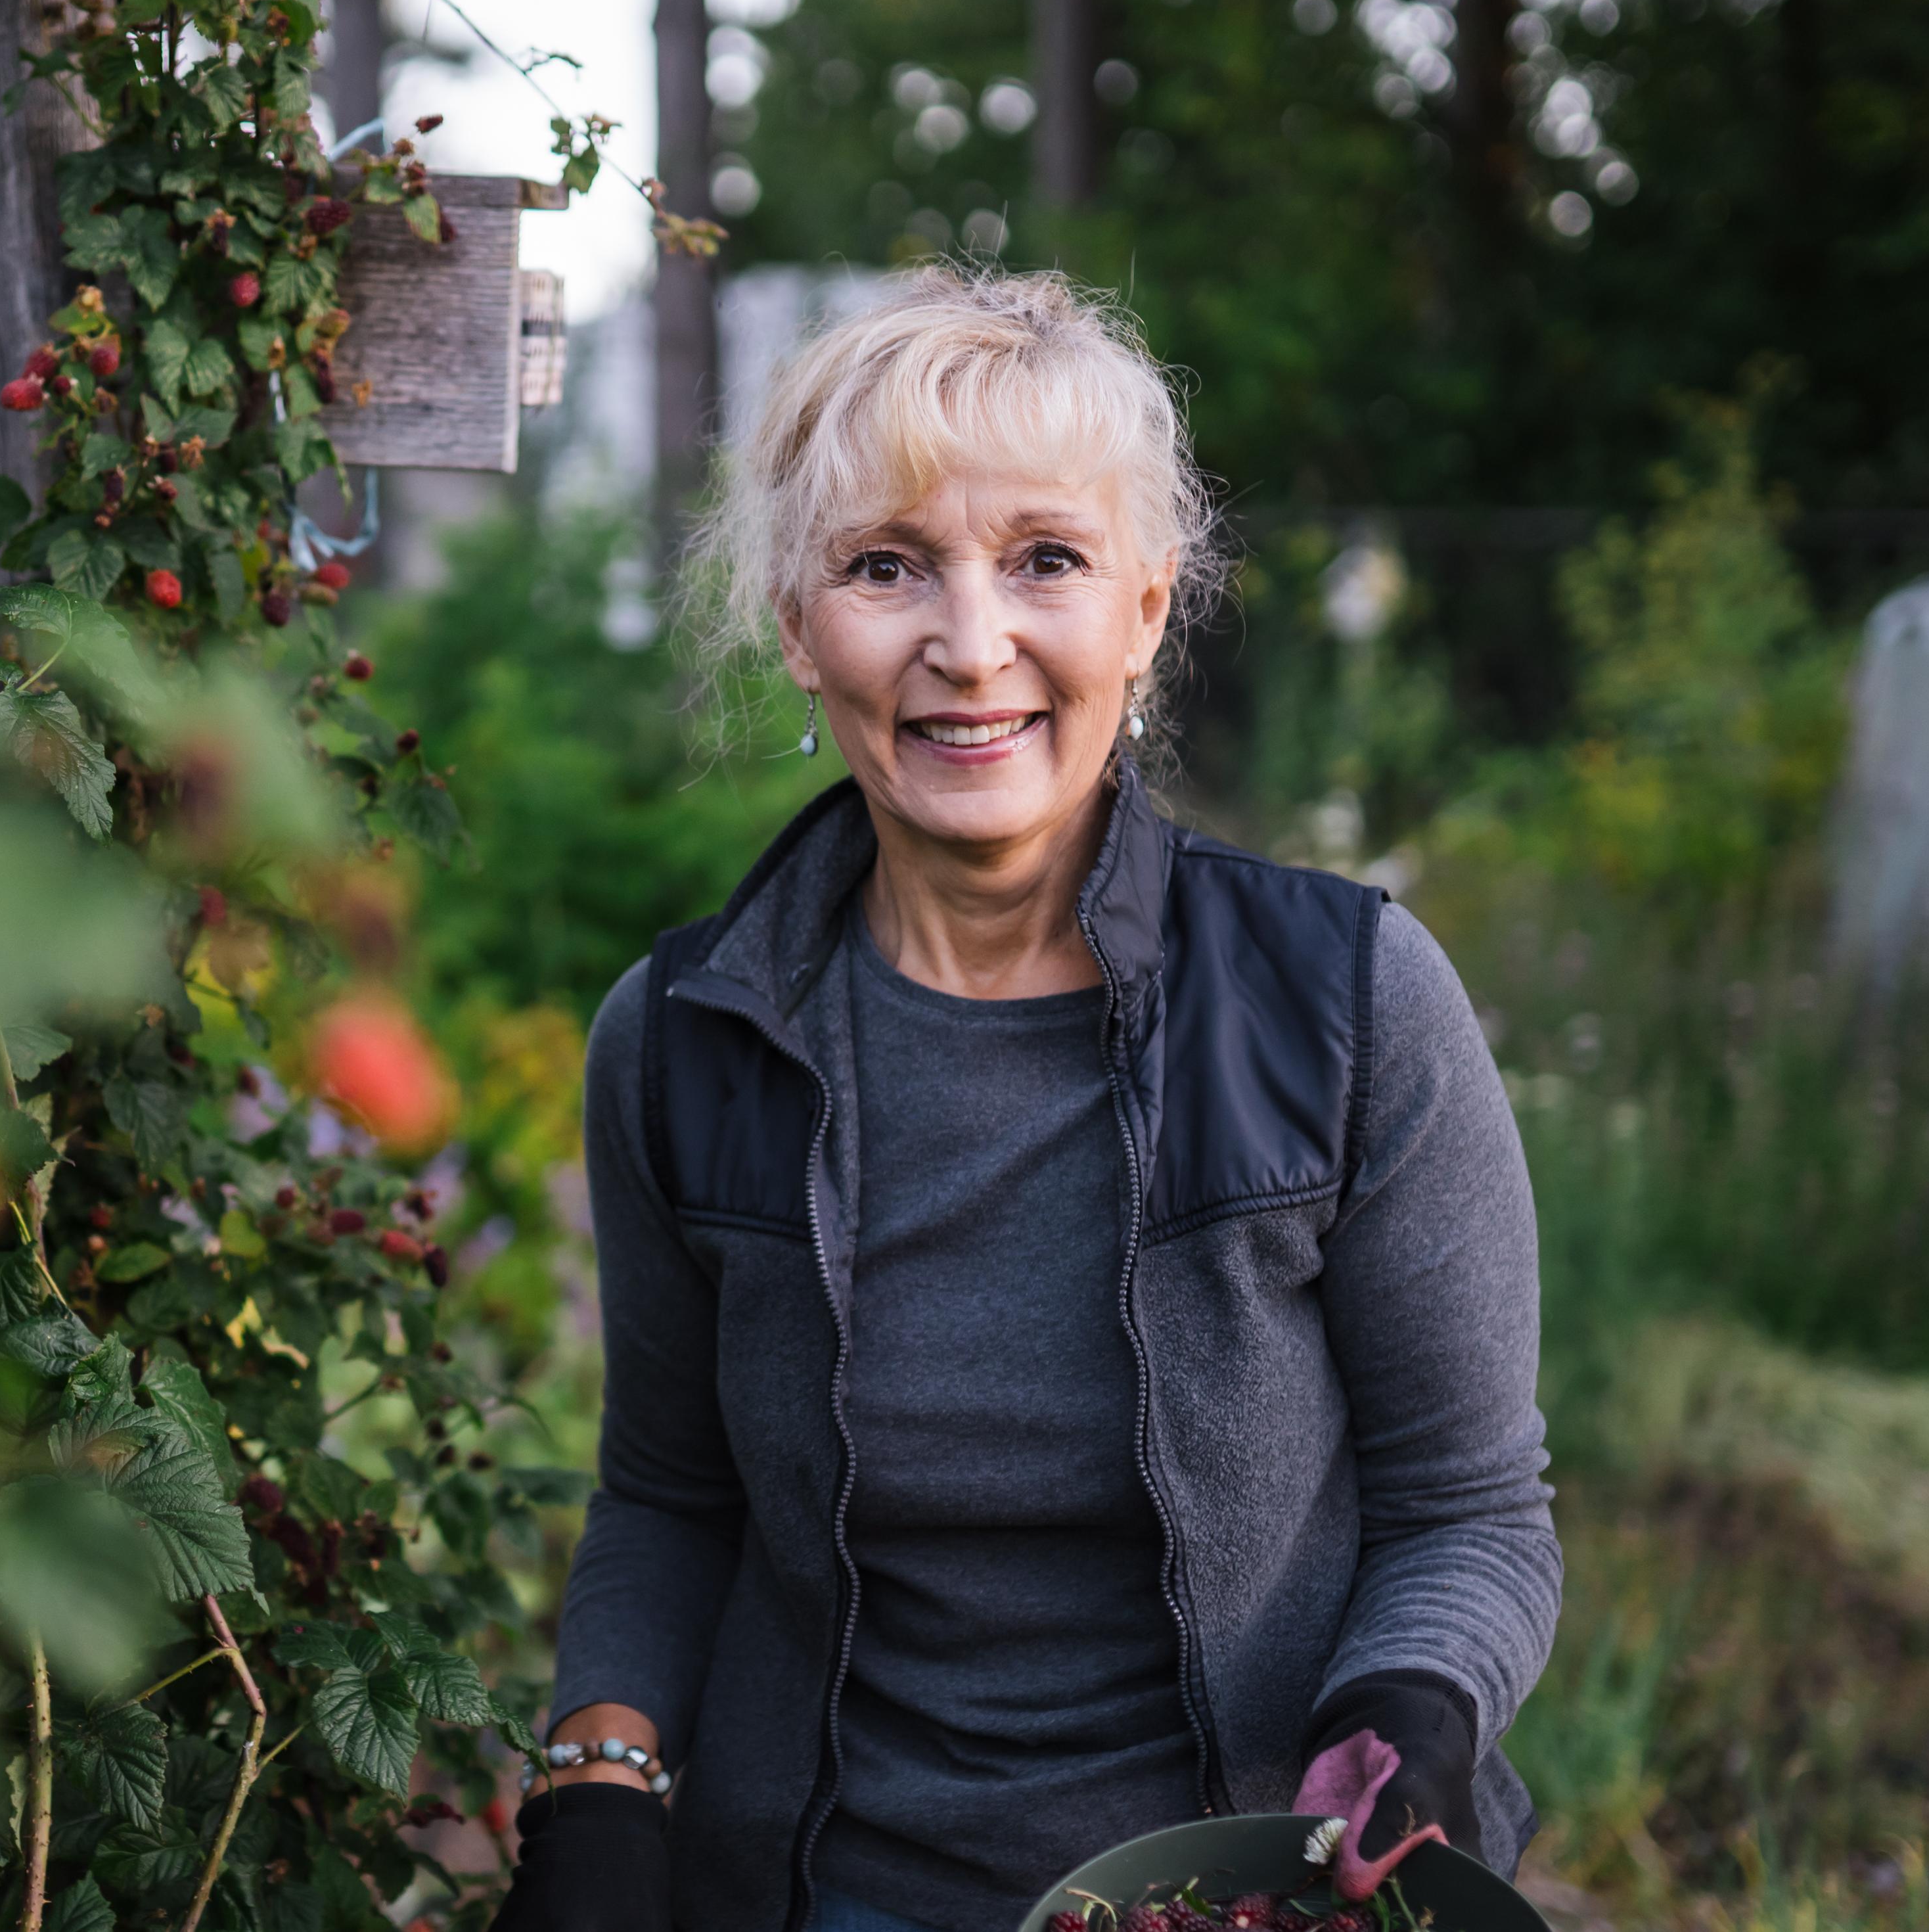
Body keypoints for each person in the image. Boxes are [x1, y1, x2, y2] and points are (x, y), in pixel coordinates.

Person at [490, 269, 1558, 1932]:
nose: (970, 642)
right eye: (884, 564)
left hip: (1246, 1888)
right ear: (796, 623)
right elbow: (668, 1497)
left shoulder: (1347, 1003)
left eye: (1045, 558)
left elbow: (1468, 1511)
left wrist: (1407, 1706)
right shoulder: (683, 1040)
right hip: (829, 1889)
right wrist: (599, 1779)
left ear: (1145, 608)